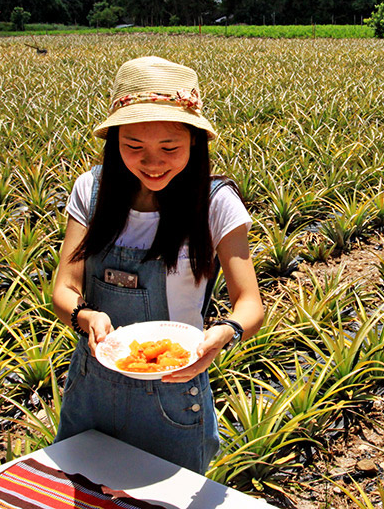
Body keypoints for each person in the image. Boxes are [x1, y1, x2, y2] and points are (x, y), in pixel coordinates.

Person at [52, 56, 263, 474]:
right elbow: (64, 288)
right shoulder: (90, 192)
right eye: (133, 147)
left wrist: (227, 331)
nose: (152, 163)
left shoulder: (215, 202)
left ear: (195, 142)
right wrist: (84, 315)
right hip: (91, 388)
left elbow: (250, 303)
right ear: (114, 142)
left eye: (170, 148)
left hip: (174, 392)